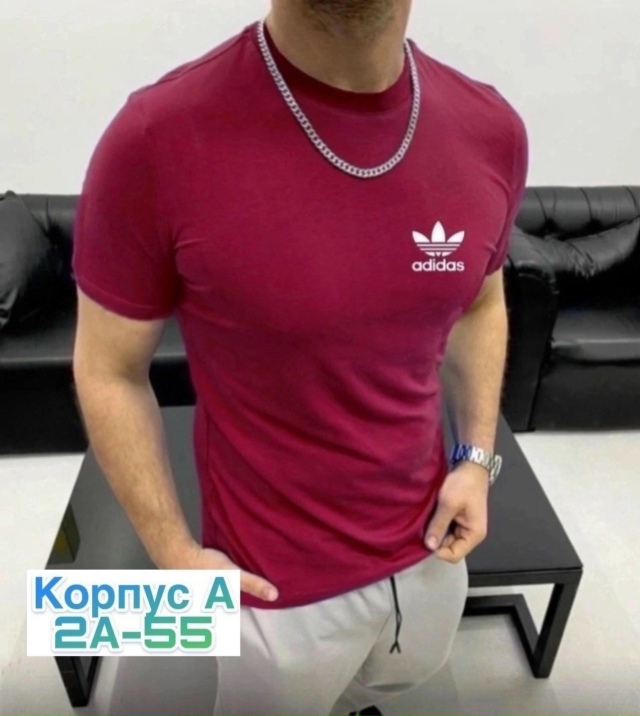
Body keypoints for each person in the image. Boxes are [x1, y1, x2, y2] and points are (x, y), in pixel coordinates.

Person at [71, 1, 529, 714]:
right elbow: (108, 369)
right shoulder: (155, 137)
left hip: (432, 550)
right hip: (271, 589)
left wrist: (476, 458)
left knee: (395, 685)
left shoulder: (490, 128)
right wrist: (172, 553)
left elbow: (480, 302)